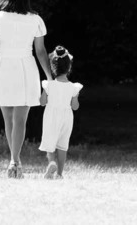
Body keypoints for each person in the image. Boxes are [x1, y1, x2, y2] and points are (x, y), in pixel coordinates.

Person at [0, 0, 53, 178]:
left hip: (2, 66)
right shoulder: (36, 19)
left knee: (8, 118)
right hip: (25, 68)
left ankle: (15, 162)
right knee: (20, 118)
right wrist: (49, 79)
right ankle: (14, 161)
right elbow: (41, 51)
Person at [39, 45, 83, 179]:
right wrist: (75, 97)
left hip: (51, 116)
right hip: (67, 117)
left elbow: (42, 102)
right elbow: (75, 107)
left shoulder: (48, 85)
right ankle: (59, 174)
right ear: (69, 67)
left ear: (53, 67)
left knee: (49, 141)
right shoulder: (73, 87)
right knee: (63, 145)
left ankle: (52, 162)